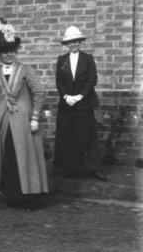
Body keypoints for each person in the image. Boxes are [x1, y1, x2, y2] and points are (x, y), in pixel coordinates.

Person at [0, 20, 48, 210]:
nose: (9, 54)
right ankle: (12, 197)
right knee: (9, 159)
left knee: (26, 159)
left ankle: (31, 198)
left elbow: (39, 92)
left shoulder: (25, 69)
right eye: (5, 51)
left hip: (25, 124)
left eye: (12, 50)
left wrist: (35, 117)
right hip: (3, 124)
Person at [54, 26, 108, 181]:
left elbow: (92, 79)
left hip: (83, 104)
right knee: (68, 134)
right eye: (69, 42)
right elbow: (59, 81)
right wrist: (66, 96)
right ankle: (69, 169)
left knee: (88, 135)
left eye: (75, 41)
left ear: (80, 42)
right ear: (66, 44)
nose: (73, 44)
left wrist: (79, 96)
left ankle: (93, 169)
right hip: (67, 105)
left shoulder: (87, 58)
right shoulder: (61, 60)